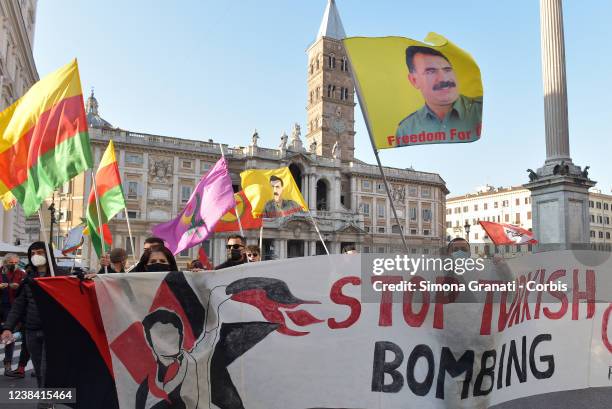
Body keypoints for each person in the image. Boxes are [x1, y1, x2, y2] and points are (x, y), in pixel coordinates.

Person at [1, 242, 62, 396]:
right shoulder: (28, 279)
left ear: (48, 255)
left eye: (40, 252)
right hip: (32, 332)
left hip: (53, 332)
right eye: (33, 253)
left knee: (47, 370)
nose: (36, 256)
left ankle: (45, 403)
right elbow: (18, 306)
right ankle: (46, 399)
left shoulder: (60, 276)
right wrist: (8, 327)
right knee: (39, 371)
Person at [394, 46, 482, 145]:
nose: (444, 79)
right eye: (431, 71)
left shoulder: (481, 111)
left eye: (447, 70)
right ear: (414, 80)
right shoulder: (406, 129)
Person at [136, 309, 198, 409]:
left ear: (181, 337)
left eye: (170, 335)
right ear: (150, 342)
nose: (165, 344)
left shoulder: (199, 369)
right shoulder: (145, 390)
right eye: (159, 338)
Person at [0, 253, 28, 376]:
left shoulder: (21, 273)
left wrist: (18, 286)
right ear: (5, 262)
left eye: (16, 262)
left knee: (9, 337)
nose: (14, 265)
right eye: (11, 262)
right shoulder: (0, 272)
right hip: (1, 307)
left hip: (13, 309)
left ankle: (8, 365)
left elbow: (26, 287)